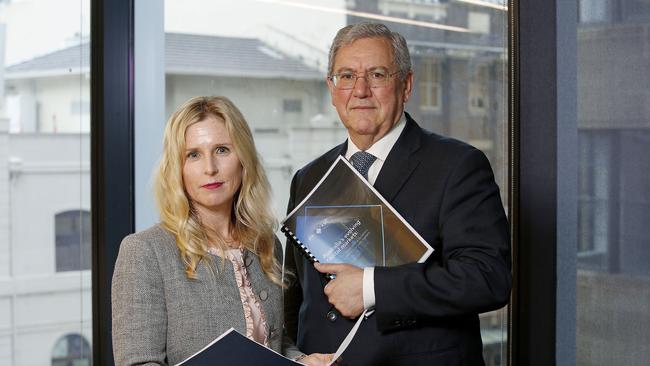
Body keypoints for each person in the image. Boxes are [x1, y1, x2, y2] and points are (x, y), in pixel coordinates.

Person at [284, 23, 512, 365]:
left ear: (406, 85)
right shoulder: (310, 176)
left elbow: (486, 278)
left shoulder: (458, 165)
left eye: (376, 74)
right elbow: (296, 296)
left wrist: (371, 287)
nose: (360, 90)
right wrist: (297, 357)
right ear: (332, 89)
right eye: (346, 76)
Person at [111, 96, 332, 365]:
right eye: (193, 155)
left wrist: (300, 361)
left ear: (243, 159)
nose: (210, 168)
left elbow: (272, 340)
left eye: (222, 150)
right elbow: (137, 362)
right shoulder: (145, 252)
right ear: (177, 169)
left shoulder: (265, 244)